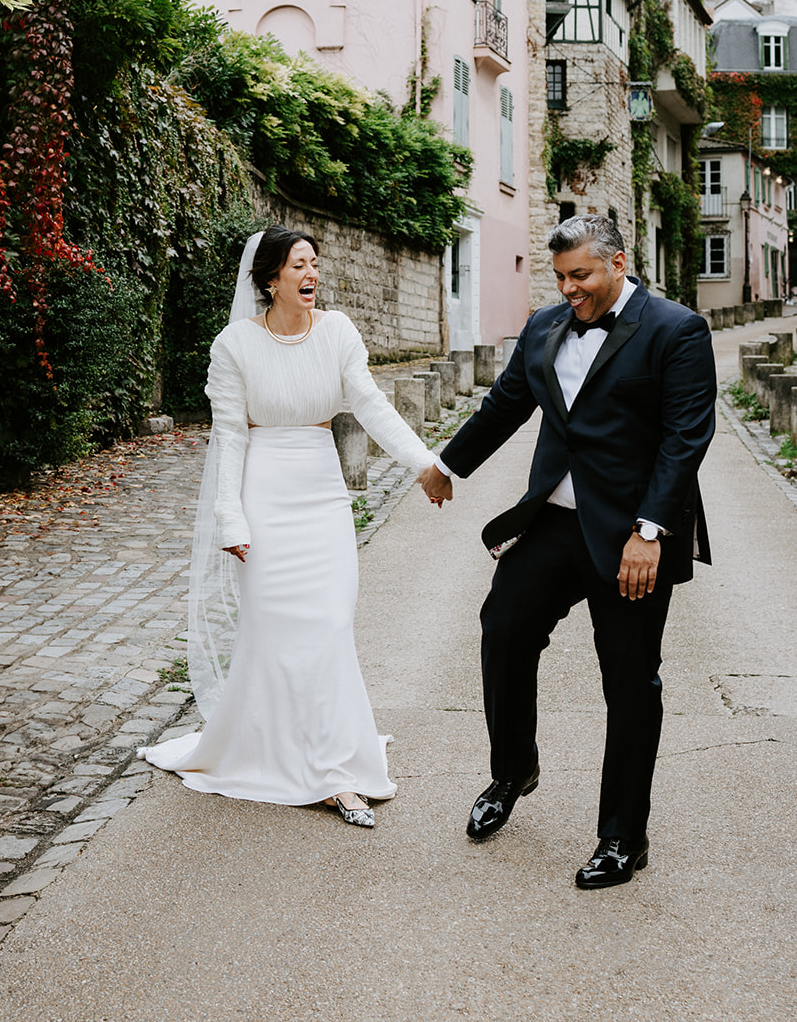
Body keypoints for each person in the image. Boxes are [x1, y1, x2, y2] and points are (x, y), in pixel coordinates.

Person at [426, 214, 715, 888]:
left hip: (630, 538)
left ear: (616, 263)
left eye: (578, 275)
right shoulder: (544, 327)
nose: (567, 290)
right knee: (502, 628)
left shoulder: (675, 330)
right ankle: (512, 770)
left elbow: (684, 439)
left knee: (628, 683)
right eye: (558, 278)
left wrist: (649, 532)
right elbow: (504, 405)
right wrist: (449, 464)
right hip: (554, 524)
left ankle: (622, 838)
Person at [141, 225, 449, 826]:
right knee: (275, 632)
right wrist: (230, 515)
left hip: (322, 495)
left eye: (315, 262)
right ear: (270, 279)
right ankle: (299, 760)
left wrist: (424, 464)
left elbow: (370, 403)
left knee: (330, 624)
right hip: (264, 500)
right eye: (298, 265)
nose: (311, 273)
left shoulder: (337, 332)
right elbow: (229, 436)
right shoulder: (233, 346)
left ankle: (333, 763)